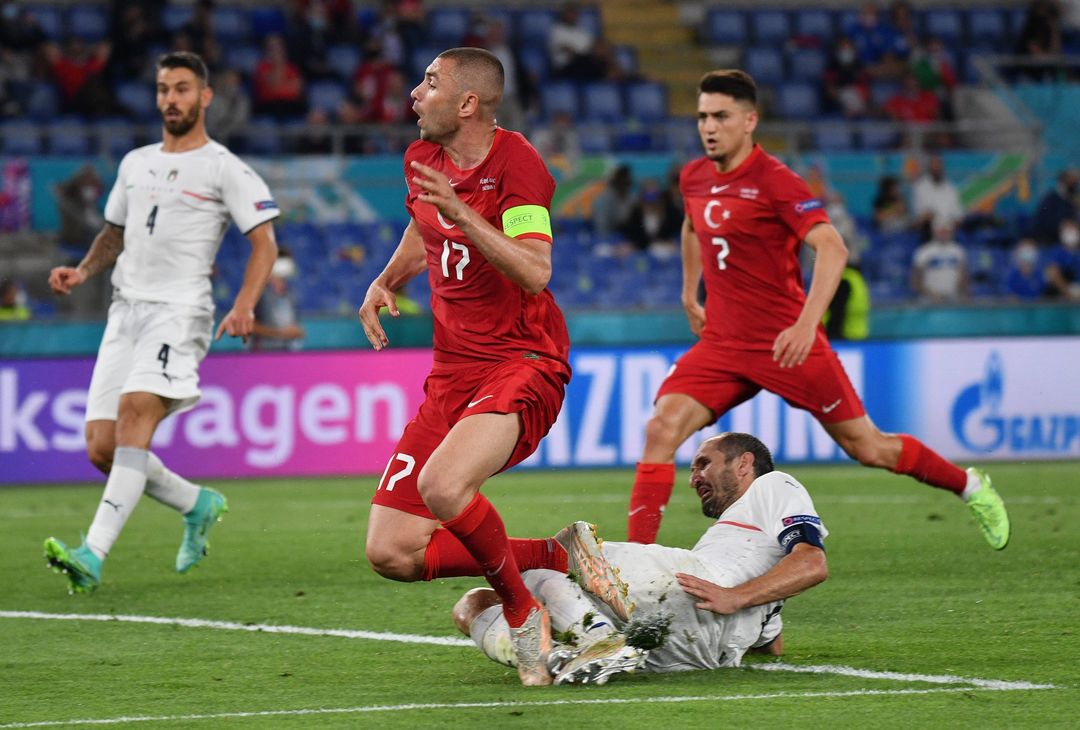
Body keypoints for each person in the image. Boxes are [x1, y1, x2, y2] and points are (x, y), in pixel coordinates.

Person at [624, 70, 1009, 554]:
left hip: (786, 342)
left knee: (868, 447)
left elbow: (832, 248)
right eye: (702, 116)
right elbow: (691, 227)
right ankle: (637, 566)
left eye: (720, 116)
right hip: (723, 342)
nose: (709, 126)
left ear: (749, 120)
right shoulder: (695, 175)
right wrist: (688, 294)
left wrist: (807, 323)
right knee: (661, 427)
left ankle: (970, 486)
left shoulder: (776, 181)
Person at [357, 47, 572, 686]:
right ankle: (559, 556)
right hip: (452, 374)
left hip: (523, 359)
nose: (414, 95)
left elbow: (536, 269)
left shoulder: (521, 165)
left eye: (429, 82)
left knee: (444, 487)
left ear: (469, 103)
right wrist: (387, 277)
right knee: (390, 551)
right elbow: (425, 228)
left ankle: (524, 611)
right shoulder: (420, 158)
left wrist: (463, 212)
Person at [42, 52, 281, 594]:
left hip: (179, 311)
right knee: (102, 447)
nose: (170, 99)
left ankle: (92, 553)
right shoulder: (135, 162)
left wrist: (243, 306)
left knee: (133, 417)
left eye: (181, 89)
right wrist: (80, 273)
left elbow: (264, 241)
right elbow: (114, 233)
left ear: (204, 97)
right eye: (163, 90)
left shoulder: (224, 167)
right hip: (124, 309)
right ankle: (196, 503)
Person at [454, 433, 829, 684]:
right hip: (684, 650)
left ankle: (593, 641)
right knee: (473, 604)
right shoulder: (742, 546)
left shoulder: (773, 485)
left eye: (703, 464)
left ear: (745, 464)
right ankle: (560, 657)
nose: (693, 477)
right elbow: (769, 644)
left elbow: (812, 561)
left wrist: (739, 596)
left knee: (567, 547)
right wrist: (753, 610)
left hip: (698, 591)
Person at [251, 247, 304, 351]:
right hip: (264, 353)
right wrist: (281, 333)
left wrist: (296, 332)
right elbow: (249, 326)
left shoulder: (289, 294)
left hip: (286, 351)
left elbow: (292, 323)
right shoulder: (258, 293)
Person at [910, 221, 968, 302]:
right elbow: (915, 279)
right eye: (941, 232)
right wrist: (931, 294)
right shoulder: (924, 251)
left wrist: (961, 293)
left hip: (953, 298)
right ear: (934, 232)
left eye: (946, 232)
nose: (943, 234)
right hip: (929, 299)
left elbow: (963, 275)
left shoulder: (958, 250)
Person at [911, 154, 964, 239]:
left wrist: (952, 223)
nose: (936, 168)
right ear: (929, 168)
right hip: (929, 230)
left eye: (938, 165)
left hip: (949, 229)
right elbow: (919, 214)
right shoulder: (920, 187)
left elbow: (958, 213)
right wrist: (930, 217)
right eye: (934, 165)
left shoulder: (950, 188)